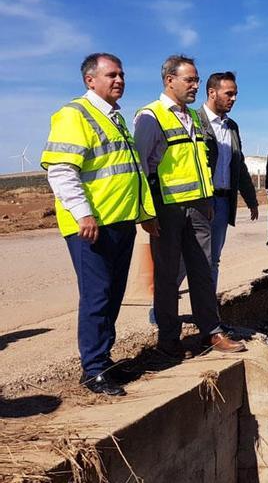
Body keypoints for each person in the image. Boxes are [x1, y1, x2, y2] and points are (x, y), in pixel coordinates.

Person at [41, 53, 158, 396]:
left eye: (122, 74)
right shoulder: (74, 115)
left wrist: (144, 214)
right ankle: (93, 370)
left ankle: (102, 361)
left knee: (112, 296)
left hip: (119, 221)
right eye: (111, 74)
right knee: (97, 296)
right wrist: (83, 214)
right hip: (91, 226)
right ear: (90, 80)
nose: (119, 80)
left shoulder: (117, 118)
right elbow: (62, 170)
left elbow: (132, 173)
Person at [133, 54, 246, 356]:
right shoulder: (150, 116)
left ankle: (211, 331)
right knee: (168, 276)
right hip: (167, 211)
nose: (196, 85)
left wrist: (207, 201)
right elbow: (141, 167)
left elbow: (202, 164)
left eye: (197, 79)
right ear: (170, 80)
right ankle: (168, 341)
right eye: (190, 80)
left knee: (203, 272)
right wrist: (146, 212)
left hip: (198, 208)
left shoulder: (194, 118)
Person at [196, 71, 258, 293]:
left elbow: (238, 165)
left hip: (222, 203)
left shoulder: (232, 127)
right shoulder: (195, 122)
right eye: (229, 94)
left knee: (213, 259)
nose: (234, 99)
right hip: (199, 202)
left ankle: (209, 314)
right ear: (212, 93)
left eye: (236, 94)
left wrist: (251, 198)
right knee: (186, 260)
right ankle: (163, 312)